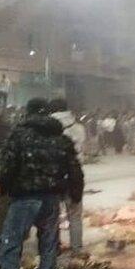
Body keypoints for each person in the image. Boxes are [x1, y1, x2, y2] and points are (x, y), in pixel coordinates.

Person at [0, 98, 84, 269]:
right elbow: (74, 168)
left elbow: (7, 166)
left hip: (24, 198)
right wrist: (75, 193)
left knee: (11, 243)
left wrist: (4, 190)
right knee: (48, 246)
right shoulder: (60, 139)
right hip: (51, 198)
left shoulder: (18, 136)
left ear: (28, 113)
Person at [50, 98, 87, 253]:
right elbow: (82, 149)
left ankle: (54, 247)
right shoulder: (79, 128)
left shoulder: (47, 129)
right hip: (74, 175)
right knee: (75, 214)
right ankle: (76, 248)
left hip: (53, 175)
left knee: (52, 215)